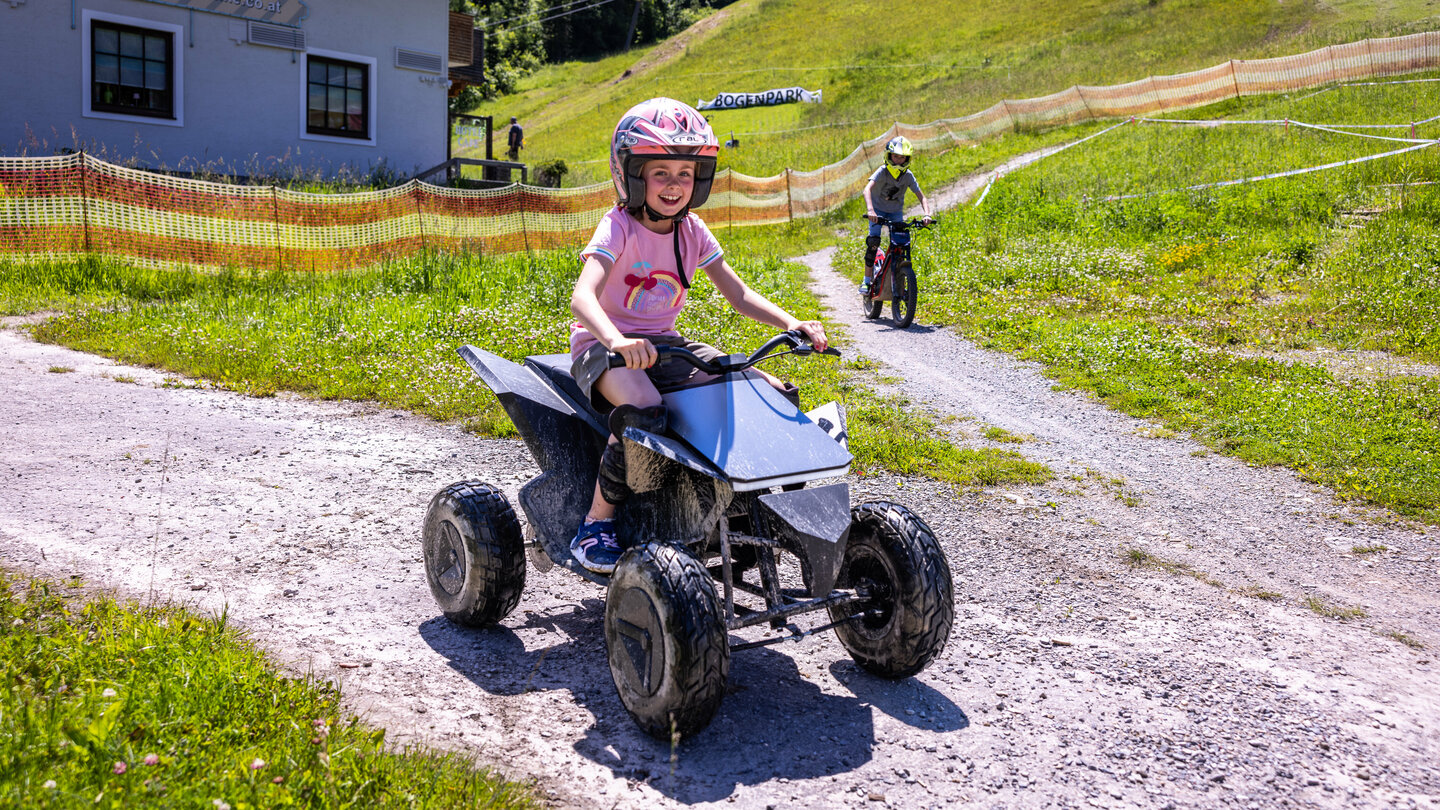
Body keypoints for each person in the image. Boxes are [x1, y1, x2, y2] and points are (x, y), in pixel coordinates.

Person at [567, 97, 828, 574]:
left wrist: (791, 322)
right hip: (601, 348)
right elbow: (583, 298)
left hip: (665, 343)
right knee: (644, 410)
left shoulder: (692, 232)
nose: (673, 185)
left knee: (763, 390)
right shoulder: (618, 226)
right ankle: (594, 526)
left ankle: (743, 505)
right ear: (631, 174)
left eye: (684, 174)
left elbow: (739, 293)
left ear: (699, 180)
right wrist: (616, 342)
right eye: (660, 173)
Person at [860, 135, 932, 295]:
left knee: (901, 244)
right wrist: (871, 211)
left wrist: (927, 214)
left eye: (902, 157)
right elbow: (867, 189)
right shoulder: (882, 171)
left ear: (907, 158)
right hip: (877, 213)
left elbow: (922, 196)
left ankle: (898, 276)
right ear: (889, 156)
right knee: (873, 242)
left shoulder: (908, 176)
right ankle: (866, 282)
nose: (899, 160)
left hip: (895, 213)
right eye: (895, 156)